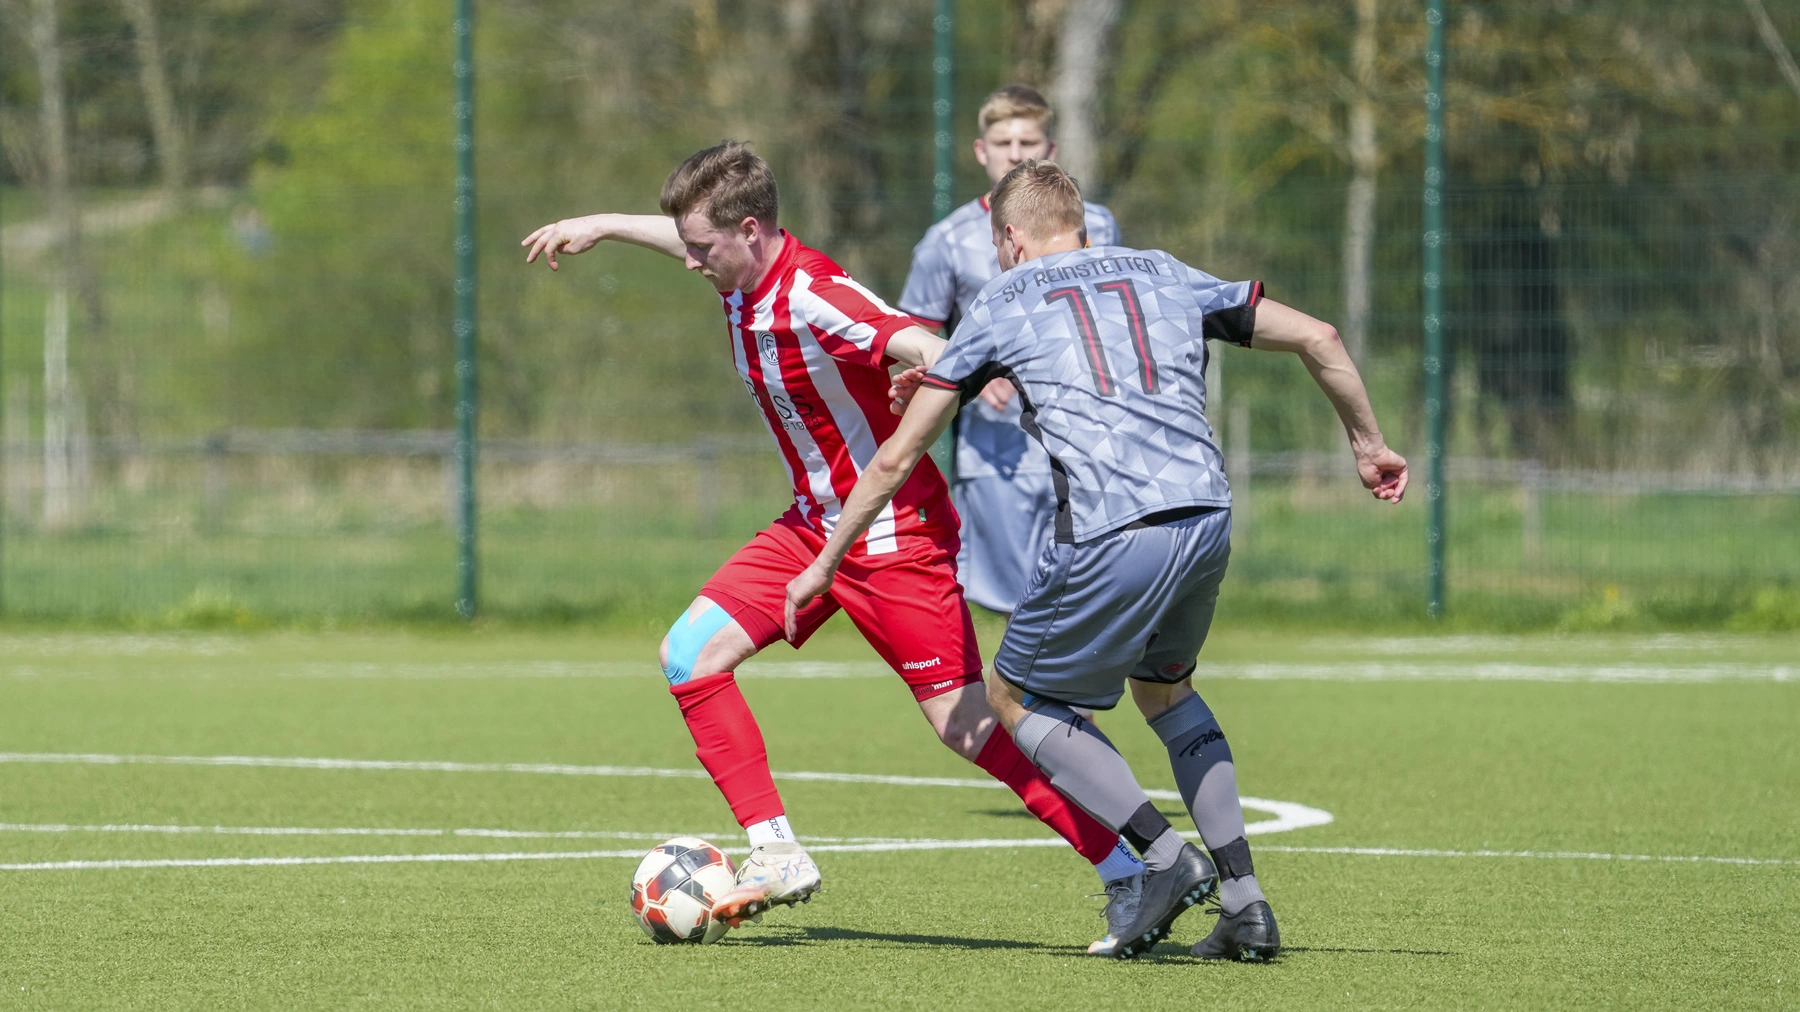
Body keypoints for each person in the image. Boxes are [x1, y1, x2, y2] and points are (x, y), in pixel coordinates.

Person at [784, 160, 1408, 960]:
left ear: (1009, 238)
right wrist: (1369, 446)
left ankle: (1161, 856)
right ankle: (1246, 903)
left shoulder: (1002, 298)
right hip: (1207, 516)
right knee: (1166, 689)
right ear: (1076, 222)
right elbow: (1318, 335)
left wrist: (828, 558)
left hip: (1112, 527)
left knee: (1014, 696)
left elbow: (899, 454)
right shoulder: (1163, 270)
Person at [520, 143, 1144, 937]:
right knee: (690, 656)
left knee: (972, 727)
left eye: (703, 248)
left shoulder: (813, 293)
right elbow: (687, 236)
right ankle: (776, 850)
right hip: (811, 524)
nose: (691, 262)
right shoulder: (736, 268)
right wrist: (598, 225)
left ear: (751, 231)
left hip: (892, 537)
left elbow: (909, 338)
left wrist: (963, 370)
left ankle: (1130, 867)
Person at [898, 84, 1118, 619]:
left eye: (1029, 141)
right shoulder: (946, 241)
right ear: (981, 151)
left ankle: (1066, 706)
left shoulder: (1097, 225)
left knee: (1083, 596)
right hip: (999, 448)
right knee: (1016, 605)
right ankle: (1031, 704)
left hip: (1086, 436)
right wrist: (979, 369)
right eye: (1003, 142)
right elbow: (913, 339)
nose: (1016, 153)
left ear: (1052, 150)